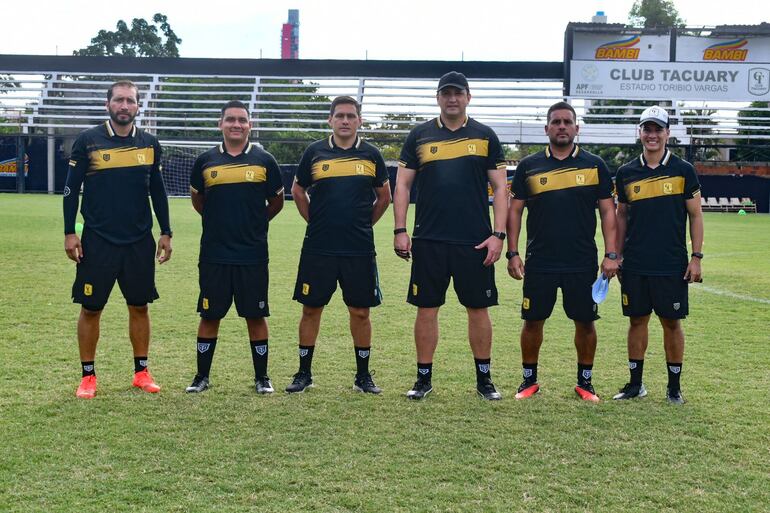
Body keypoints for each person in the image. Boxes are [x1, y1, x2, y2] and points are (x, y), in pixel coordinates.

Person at [393, 71, 508, 400]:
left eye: (458, 93)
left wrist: (498, 234)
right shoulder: (420, 135)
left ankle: (484, 380)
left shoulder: (485, 135)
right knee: (426, 309)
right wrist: (400, 229)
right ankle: (423, 379)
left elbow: (501, 188)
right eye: (446, 93)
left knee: (478, 309)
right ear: (438, 98)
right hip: (428, 239)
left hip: (475, 240)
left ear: (468, 97)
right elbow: (402, 184)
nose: (452, 98)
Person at [63, 80, 172, 399]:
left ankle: (141, 372)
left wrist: (165, 231)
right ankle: (88, 377)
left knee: (139, 307)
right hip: (97, 240)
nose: (124, 106)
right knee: (91, 308)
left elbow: (158, 191)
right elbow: (71, 190)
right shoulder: (88, 141)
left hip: (139, 241)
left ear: (139, 106)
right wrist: (70, 232)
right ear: (108, 104)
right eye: (119, 100)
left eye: (130, 101)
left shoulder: (150, 144)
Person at [506, 101, 618, 402]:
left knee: (585, 322)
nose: (562, 126)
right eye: (556, 122)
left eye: (567, 122)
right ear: (546, 129)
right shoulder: (529, 166)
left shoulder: (594, 165)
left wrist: (611, 254)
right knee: (532, 321)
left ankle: (585, 382)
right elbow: (514, 211)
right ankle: (528, 380)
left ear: (576, 128)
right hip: (539, 260)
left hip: (581, 261)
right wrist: (512, 252)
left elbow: (608, 212)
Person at [287, 96, 391, 394]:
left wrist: (363, 224)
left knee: (360, 312)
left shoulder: (371, 155)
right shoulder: (315, 152)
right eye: (340, 116)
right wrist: (315, 221)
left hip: (358, 248)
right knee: (311, 309)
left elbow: (384, 196)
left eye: (351, 116)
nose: (345, 120)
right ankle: (304, 374)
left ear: (359, 121)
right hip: (319, 247)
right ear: (330, 120)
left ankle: (362, 377)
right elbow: (297, 189)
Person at [185, 100, 285, 394]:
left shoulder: (265, 160)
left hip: (252, 254)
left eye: (242, 120)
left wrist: (254, 223)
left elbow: (276, 202)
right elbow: (198, 201)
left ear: (250, 125)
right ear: (221, 124)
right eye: (230, 119)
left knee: (256, 315)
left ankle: (262, 378)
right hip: (214, 253)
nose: (236, 124)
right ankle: (201, 377)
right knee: (210, 315)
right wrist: (219, 222)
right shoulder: (205, 161)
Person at [613, 106, 703, 405]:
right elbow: (621, 216)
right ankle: (636, 384)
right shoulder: (626, 172)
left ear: (667, 133)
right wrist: (617, 254)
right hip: (635, 264)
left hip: (670, 263)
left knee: (671, 323)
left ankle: (674, 387)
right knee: (637, 321)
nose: (652, 135)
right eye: (646, 129)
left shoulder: (683, 170)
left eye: (658, 129)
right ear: (639, 133)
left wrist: (696, 257)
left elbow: (696, 216)